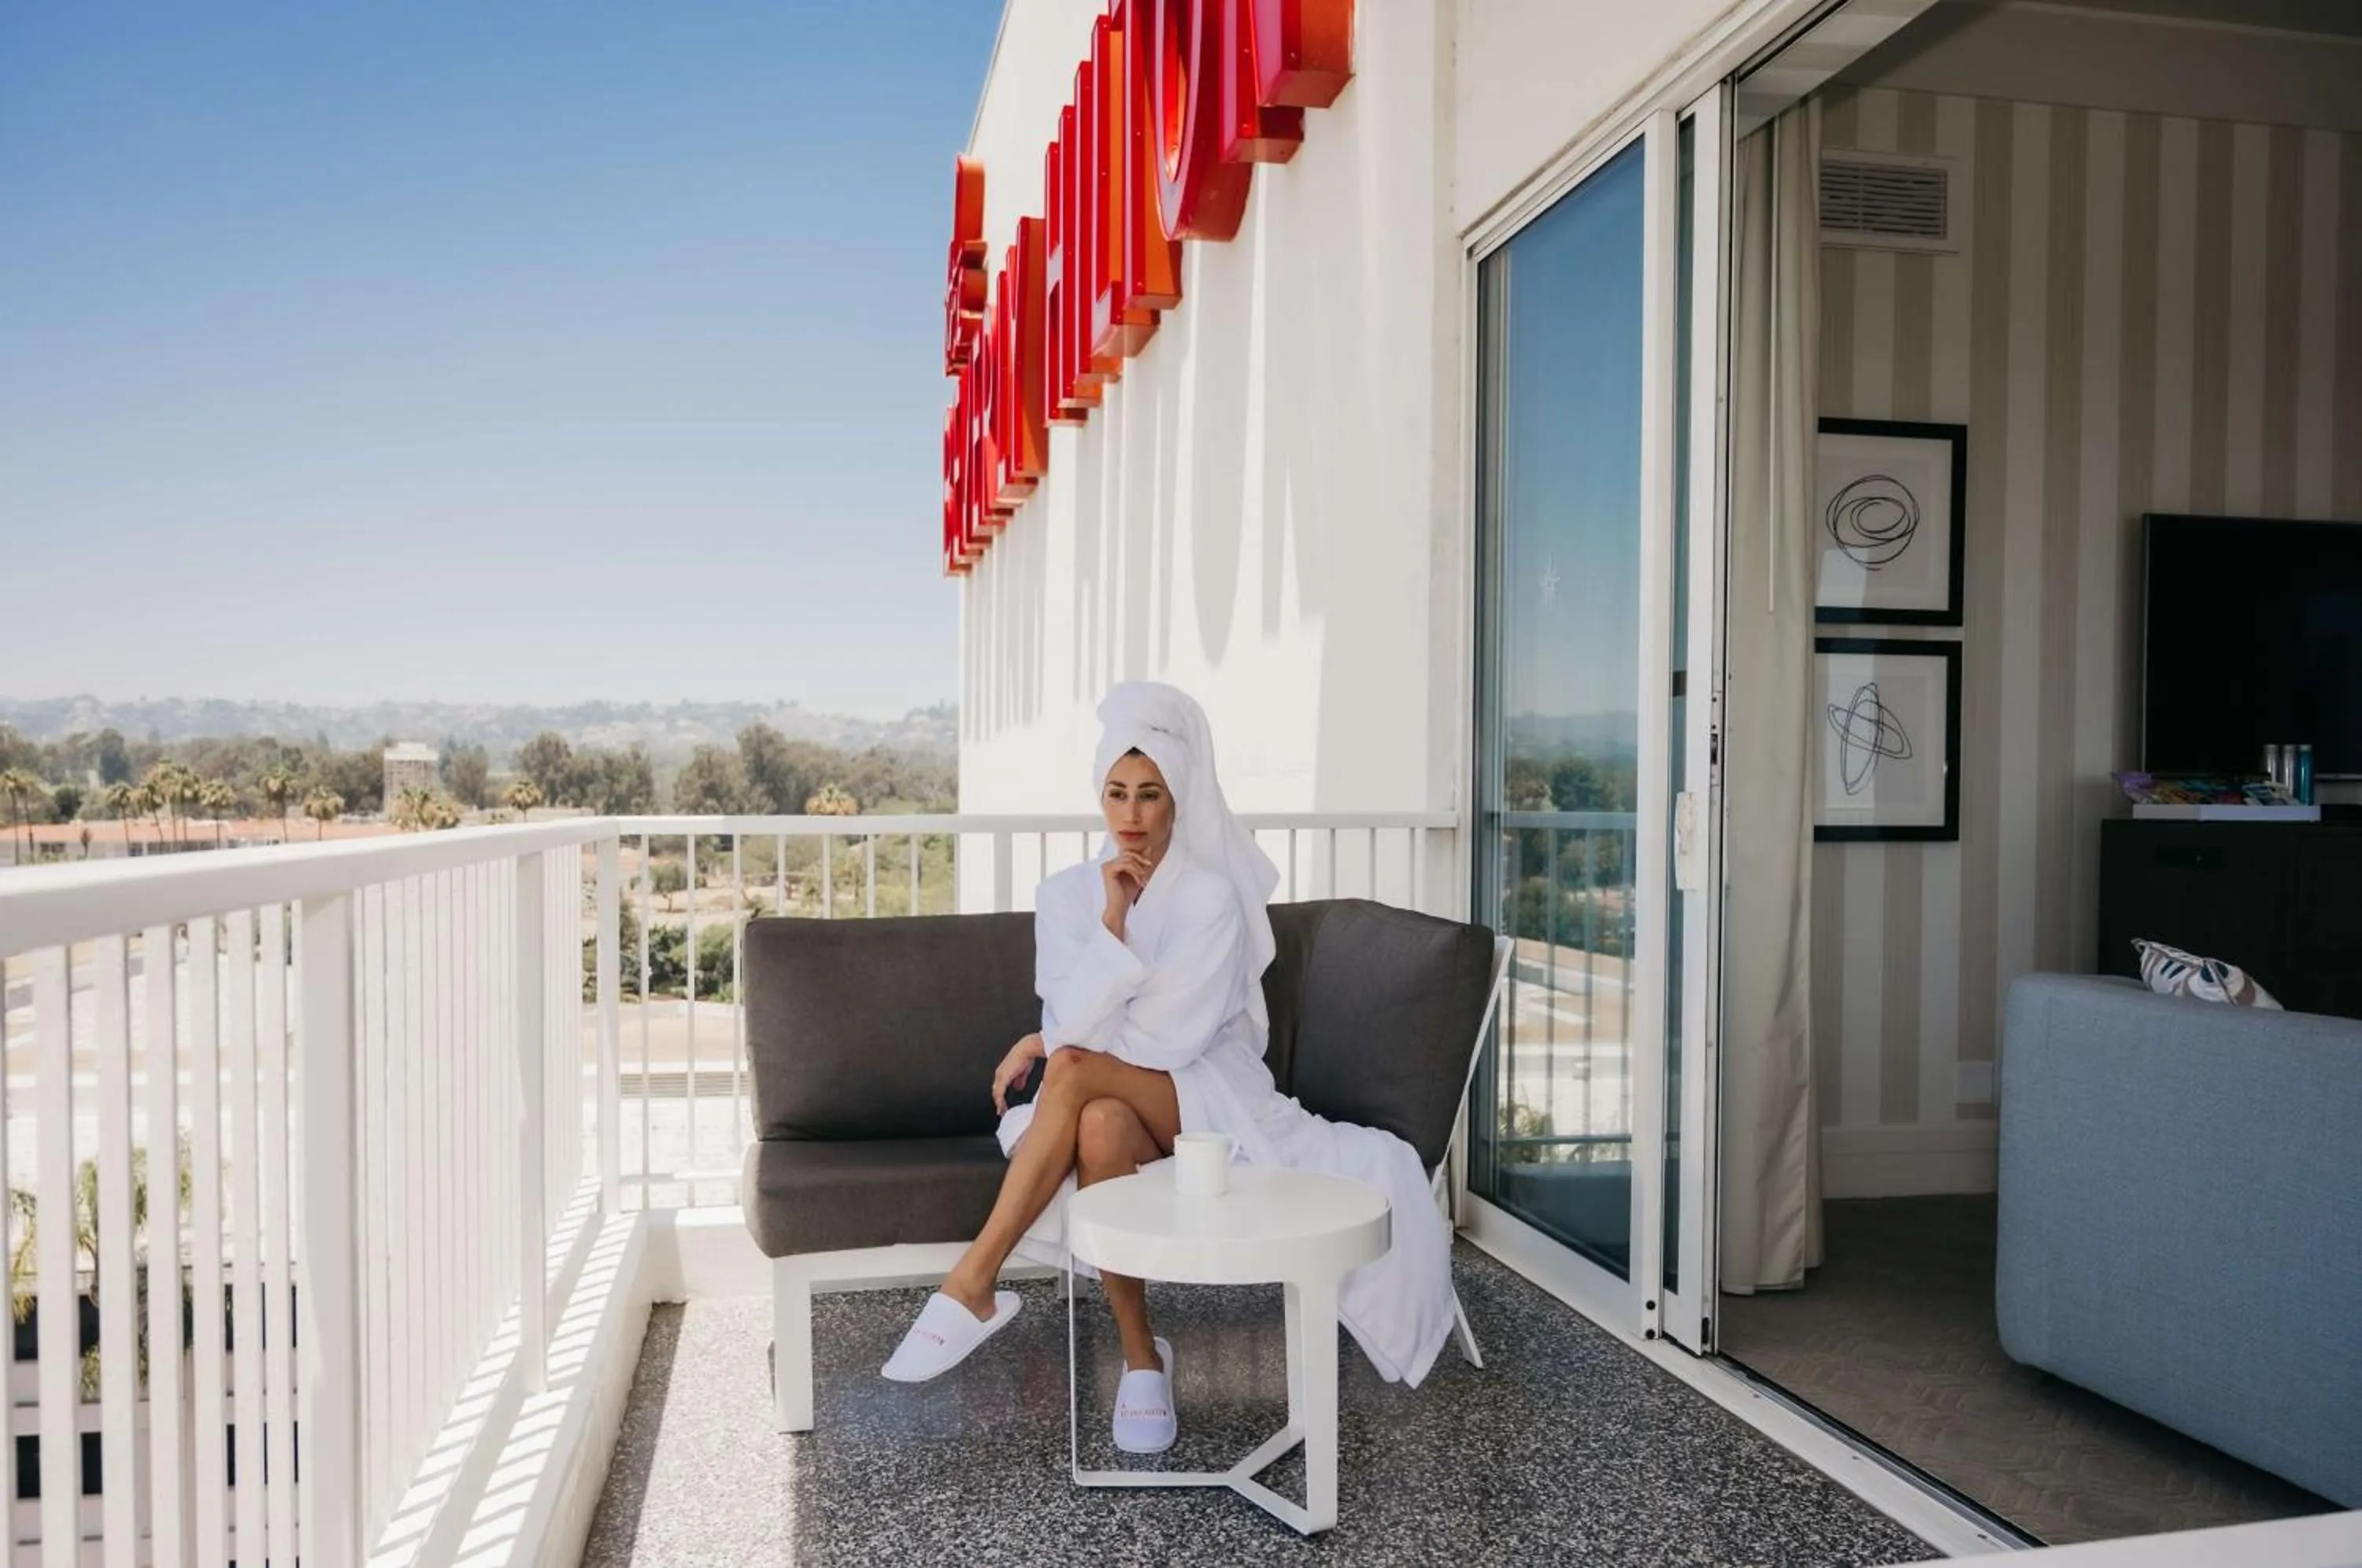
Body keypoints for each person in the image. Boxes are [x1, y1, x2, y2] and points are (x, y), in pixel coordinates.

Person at [880, 681, 1457, 1455]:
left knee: (1079, 1075)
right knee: (1097, 1117)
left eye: (1150, 794)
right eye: (1117, 792)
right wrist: (1111, 928)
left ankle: (973, 1283)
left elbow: (1168, 1040)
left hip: (1207, 1093)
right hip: (1118, 1093)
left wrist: (1060, 1036)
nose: (1131, 814)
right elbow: (1073, 1021)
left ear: (1178, 797)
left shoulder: (1210, 898)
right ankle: (1143, 1356)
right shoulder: (1066, 897)